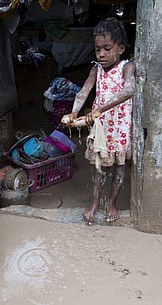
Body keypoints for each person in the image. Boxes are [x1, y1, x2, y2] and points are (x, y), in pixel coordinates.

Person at [62, 17, 135, 226]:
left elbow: (130, 89)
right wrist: (73, 113)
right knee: (99, 168)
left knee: (119, 170)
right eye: (97, 50)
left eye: (107, 48)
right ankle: (95, 202)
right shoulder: (96, 69)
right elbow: (83, 92)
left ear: (120, 48)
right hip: (101, 129)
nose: (101, 54)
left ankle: (112, 203)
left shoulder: (127, 67)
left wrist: (100, 109)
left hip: (120, 130)